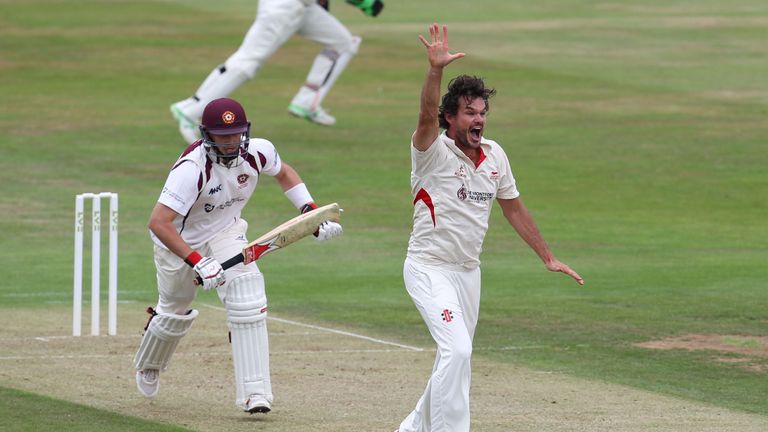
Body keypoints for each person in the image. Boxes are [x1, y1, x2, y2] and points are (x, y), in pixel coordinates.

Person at [397, 24, 584, 432]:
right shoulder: (430, 150)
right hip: (429, 268)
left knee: (455, 356)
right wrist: (434, 72)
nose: (478, 120)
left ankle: (413, 427)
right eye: (470, 113)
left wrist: (547, 257)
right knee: (458, 351)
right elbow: (425, 113)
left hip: (468, 273)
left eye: (483, 113)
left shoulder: (495, 155)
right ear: (450, 117)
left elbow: (514, 210)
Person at [132, 97, 342, 414]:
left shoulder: (258, 151)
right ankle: (149, 362)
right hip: (180, 241)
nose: (230, 142)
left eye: (236, 134)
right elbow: (158, 223)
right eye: (222, 135)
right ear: (207, 135)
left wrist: (310, 214)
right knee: (175, 307)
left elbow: (284, 172)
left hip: (226, 231)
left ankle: (255, 393)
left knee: (248, 294)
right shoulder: (192, 170)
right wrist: (197, 261)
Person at [170, 0, 384, 144]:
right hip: (285, 7)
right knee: (249, 61)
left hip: (304, 6)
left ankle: (307, 102)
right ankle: (192, 112)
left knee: (343, 43)